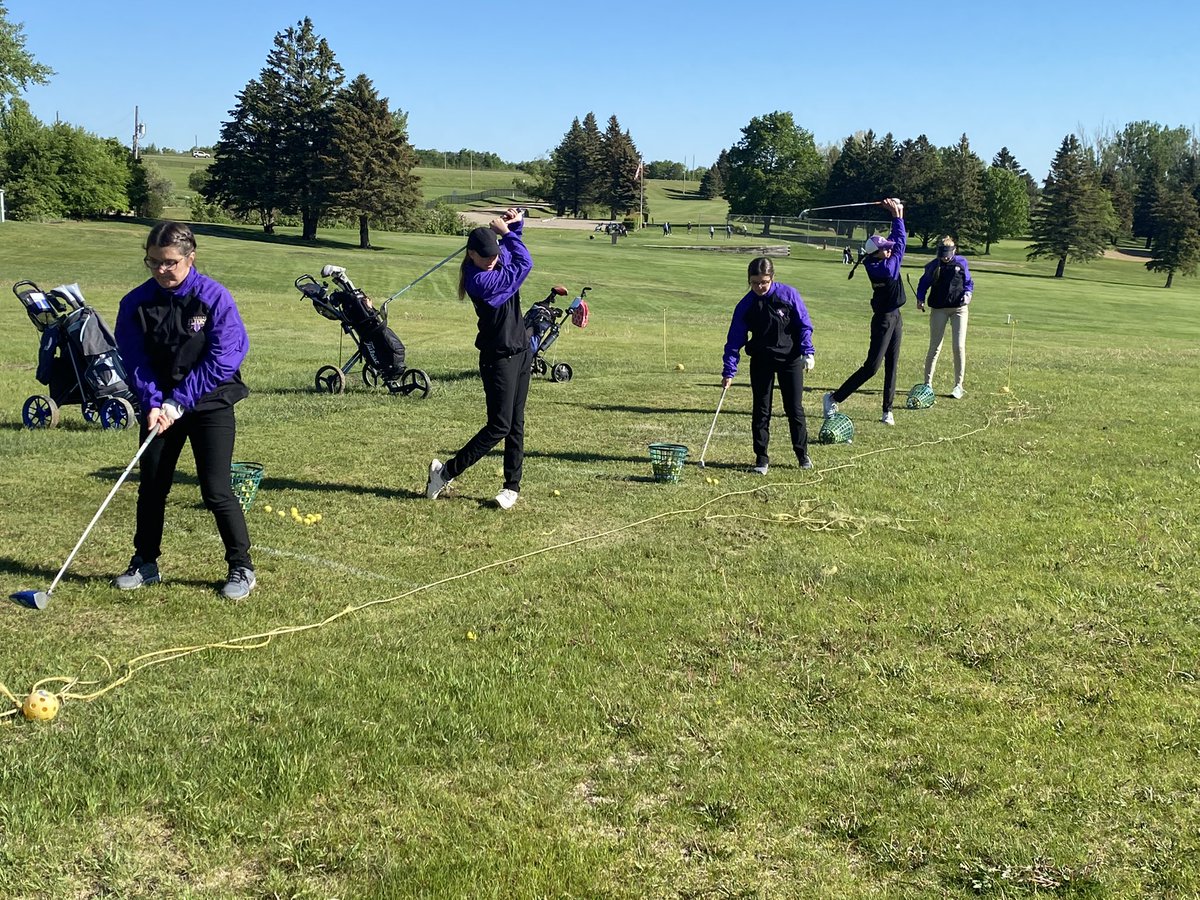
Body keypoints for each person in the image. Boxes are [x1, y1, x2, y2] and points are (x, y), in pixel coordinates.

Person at [112, 222, 255, 599]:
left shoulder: (214, 297)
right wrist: (154, 402)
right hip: (160, 405)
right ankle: (145, 562)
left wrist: (181, 400)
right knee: (152, 487)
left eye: (169, 263)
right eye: (153, 262)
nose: (161, 270)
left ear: (190, 259)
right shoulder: (136, 303)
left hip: (210, 402)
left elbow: (225, 357)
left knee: (215, 490)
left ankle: (241, 567)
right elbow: (135, 359)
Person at [427, 208, 533, 509]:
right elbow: (524, 262)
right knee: (499, 426)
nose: (493, 260)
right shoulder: (480, 283)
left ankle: (511, 487)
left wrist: (516, 226)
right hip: (497, 359)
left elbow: (512, 254)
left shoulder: (496, 263)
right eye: (486, 258)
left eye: (495, 256)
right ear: (472, 255)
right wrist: (509, 234)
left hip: (521, 352)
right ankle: (444, 472)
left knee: (516, 424)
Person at [721, 257, 816, 474]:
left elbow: (804, 324)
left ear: (772, 278)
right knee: (761, 409)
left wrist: (808, 351)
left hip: (790, 359)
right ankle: (761, 458)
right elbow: (734, 340)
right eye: (754, 282)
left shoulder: (788, 295)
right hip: (761, 360)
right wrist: (729, 371)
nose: (759, 287)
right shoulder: (746, 305)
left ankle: (802, 455)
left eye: (764, 282)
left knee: (794, 408)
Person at [823, 197, 907, 426]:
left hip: (895, 317)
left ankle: (887, 410)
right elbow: (900, 243)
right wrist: (896, 215)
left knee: (892, 364)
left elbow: (895, 240)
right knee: (872, 367)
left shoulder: (877, 260)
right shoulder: (883, 269)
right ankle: (833, 398)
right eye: (885, 250)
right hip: (883, 320)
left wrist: (897, 212)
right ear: (876, 253)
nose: (889, 251)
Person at [916, 236, 974, 399]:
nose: (945, 257)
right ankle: (927, 384)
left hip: (959, 309)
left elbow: (968, 282)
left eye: (948, 254)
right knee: (935, 347)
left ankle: (958, 386)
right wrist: (920, 298)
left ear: (954, 251)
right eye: (942, 254)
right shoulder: (933, 266)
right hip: (939, 309)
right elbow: (923, 283)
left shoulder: (961, 262)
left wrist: (968, 294)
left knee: (958, 346)